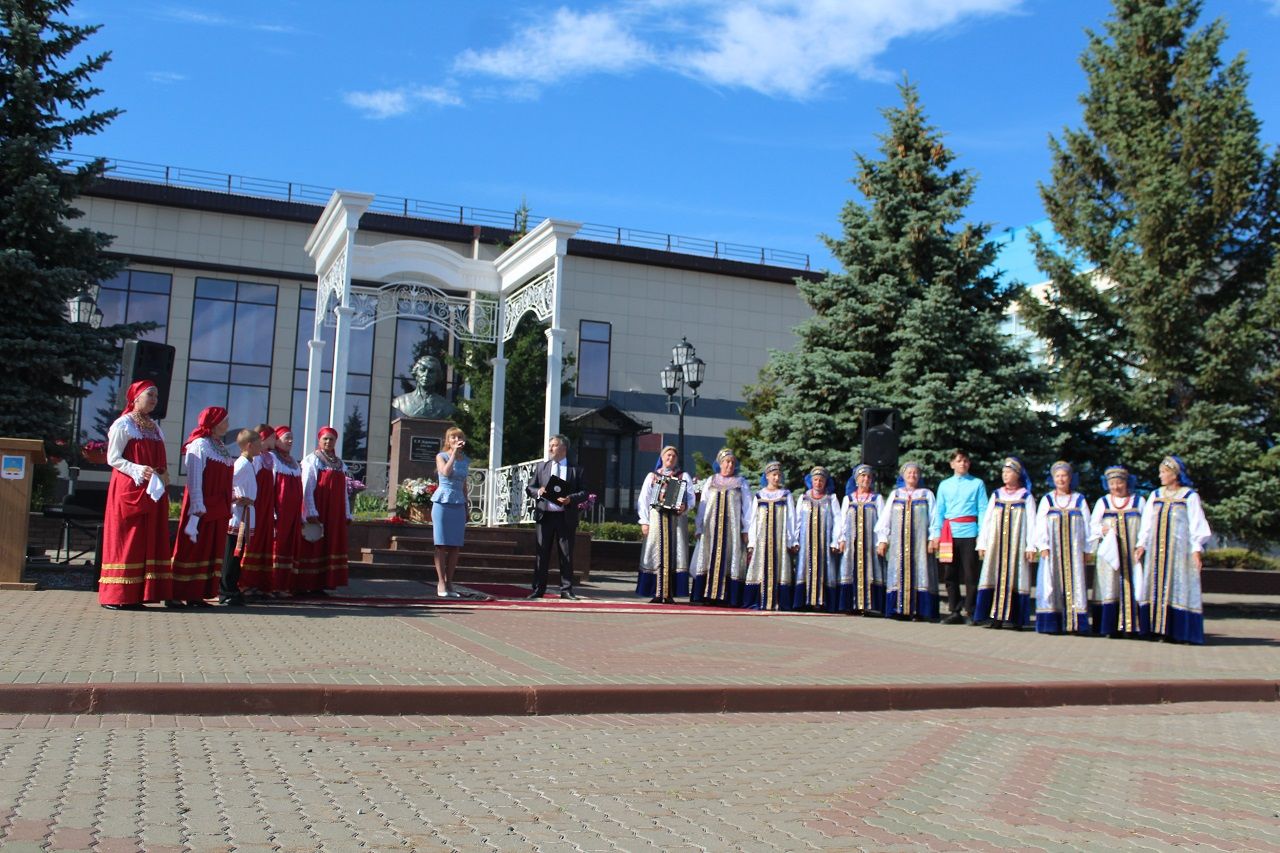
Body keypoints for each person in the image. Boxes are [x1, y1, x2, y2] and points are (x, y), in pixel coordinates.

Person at [99, 381, 173, 610]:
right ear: (136, 398)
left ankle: (139, 593)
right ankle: (118, 594)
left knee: (147, 539)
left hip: (152, 489)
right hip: (130, 487)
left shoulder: (154, 427)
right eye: (150, 395)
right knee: (128, 539)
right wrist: (138, 469)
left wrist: (161, 474)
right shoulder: (123, 424)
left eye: (156, 396)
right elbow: (113, 458)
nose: (154, 400)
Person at [1135, 455, 1212, 644]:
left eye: (1164, 472)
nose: (1160, 476)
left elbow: (1196, 524)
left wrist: (1196, 549)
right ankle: (1156, 630)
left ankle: (1180, 632)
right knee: (1155, 587)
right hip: (1155, 553)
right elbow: (1146, 523)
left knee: (1179, 587)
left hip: (1179, 552)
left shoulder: (1189, 496)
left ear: (1174, 474)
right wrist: (1141, 544)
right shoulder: (1156, 495)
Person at [169, 406, 234, 607]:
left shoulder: (220, 447)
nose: (227, 424)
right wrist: (197, 506)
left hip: (218, 507)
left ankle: (196, 593)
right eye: (224, 420)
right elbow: (194, 478)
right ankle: (175, 592)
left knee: (209, 548)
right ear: (213, 423)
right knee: (192, 548)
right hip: (202, 506)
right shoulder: (199, 445)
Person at [974, 457, 1037, 629]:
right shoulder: (997, 494)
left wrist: (1031, 545)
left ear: (1017, 474)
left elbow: (1032, 522)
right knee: (993, 575)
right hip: (996, 545)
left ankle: (1015, 618)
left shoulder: (1025, 496)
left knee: (1016, 576)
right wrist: (982, 543)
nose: (1005, 475)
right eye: (1003, 472)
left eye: (1008, 472)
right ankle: (994, 616)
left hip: (1017, 545)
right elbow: (987, 520)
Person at [524, 433, 587, 600]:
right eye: (550, 445)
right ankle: (538, 588)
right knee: (542, 553)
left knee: (566, 554)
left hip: (565, 518)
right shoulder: (542, 467)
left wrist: (569, 499)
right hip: (545, 517)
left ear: (563, 448)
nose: (550, 448)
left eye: (554, 445)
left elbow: (584, 492)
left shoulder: (575, 470)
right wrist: (539, 491)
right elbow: (529, 488)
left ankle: (566, 589)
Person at [1034, 461, 1093, 635]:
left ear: (1070, 478)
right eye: (1057, 476)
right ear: (1053, 479)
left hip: (1074, 552)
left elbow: (1088, 525)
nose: (1061, 479)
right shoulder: (1048, 499)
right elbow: (1040, 524)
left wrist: (1088, 549)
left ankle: (1076, 624)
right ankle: (1051, 624)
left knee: (1076, 583)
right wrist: (1042, 545)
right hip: (1053, 551)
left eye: (1064, 475)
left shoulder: (1079, 499)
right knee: (1051, 584)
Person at [930, 450, 987, 625]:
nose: (963, 464)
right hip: (949, 533)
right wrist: (935, 534)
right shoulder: (945, 485)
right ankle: (954, 610)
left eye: (966, 461)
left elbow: (983, 509)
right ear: (952, 464)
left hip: (969, 532)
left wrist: (982, 535)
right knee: (949, 573)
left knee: (970, 573)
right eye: (959, 461)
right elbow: (939, 510)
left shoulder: (977, 483)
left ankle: (971, 610)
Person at [876, 461, 938, 621]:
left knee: (920, 572)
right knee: (898, 572)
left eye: (915, 473)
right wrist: (883, 539)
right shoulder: (896, 495)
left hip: (919, 545)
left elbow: (934, 519)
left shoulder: (926, 494)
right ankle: (897, 609)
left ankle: (920, 610)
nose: (912, 475)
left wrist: (932, 538)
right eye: (909, 473)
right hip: (898, 546)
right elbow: (885, 519)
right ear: (903, 476)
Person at [690, 448, 752, 606]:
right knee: (708, 558)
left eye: (732, 462)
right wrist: (699, 526)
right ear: (720, 463)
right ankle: (706, 595)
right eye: (726, 462)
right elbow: (703, 506)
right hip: (710, 529)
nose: (730, 465)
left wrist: (746, 530)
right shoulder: (711, 481)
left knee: (730, 558)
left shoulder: (741, 483)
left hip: (731, 531)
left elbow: (748, 508)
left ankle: (728, 597)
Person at [1090, 465, 1146, 638]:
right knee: (1110, 586)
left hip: (1132, 553)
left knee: (1133, 584)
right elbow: (1092, 526)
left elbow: (1146, 527)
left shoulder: (1138, 501)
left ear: (1126, 483)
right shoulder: (1104, 502)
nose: (1115, 487)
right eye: (1112, 484)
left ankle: (1132, 626)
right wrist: (1103, 530)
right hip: (1110, 556)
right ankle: (1109, 627)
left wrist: (1141, 544)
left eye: (1119, 483)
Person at [635, 446, 696, 603]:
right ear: (662, 457)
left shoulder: (683, 476)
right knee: (655, 553)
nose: (670, 458)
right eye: (668, 455)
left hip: (675, 521)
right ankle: (656, 592)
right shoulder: (652, 476)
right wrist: (644, 521)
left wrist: (685, 507)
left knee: (674, 553)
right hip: (656, 520)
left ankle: (669, 593)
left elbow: (691, 498)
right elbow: (644, 499)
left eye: (674, 456)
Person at [297, 426, 352, 595]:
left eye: (331, 439)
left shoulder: (340, 463)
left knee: (329, 544)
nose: (328, 442)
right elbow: (307, 487)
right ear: (319, 440)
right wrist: (311, 511)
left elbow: (343, 491)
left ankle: (322, 584)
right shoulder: (312, 460)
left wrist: (347, 512)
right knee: (314, 545)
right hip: (320, 507)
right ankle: (306, 583)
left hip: (334, 511)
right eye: (325, 439)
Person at [743, 461, 797, 611]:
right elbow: (753, 519)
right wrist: (752, 542)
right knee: (759, 567)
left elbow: (791, 518)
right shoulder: (760, 496)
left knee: (780, 568)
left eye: (779, 475)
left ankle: (779, 601)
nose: (776, 477)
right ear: (767, 476)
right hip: (762, 541)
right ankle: (759, 600)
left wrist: (791, 540)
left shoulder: (786, 495)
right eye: (774, 475)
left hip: (779, 540)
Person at [834, 464, 886, 615]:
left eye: (869, 477)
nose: (866, 479)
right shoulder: (848, 499)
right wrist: (841, 539)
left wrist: (881, 540)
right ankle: (850, 605)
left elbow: (882, 522)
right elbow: (842, 520)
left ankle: (870, 605)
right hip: (852, 544)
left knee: (871, 570)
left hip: (870, 543)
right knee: (850, 569)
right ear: (856, 479)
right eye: (863, 476)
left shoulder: (877, 499)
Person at [219, 429, 261, 607]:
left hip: (246, 513)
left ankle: (233, 588)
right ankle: (225, 591)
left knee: (238, 555)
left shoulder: (250, 463)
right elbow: (228, 484)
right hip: (238, 516)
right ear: (249, 445)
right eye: (258, 443)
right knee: (231, 554)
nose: (261, 447)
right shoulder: (242, 464)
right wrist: (237, 498)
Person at [791, 466, 840, 611]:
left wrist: (835, 540)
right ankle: (803, 601)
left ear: (826, 482)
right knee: (804, 568)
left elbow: (838, 520)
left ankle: (823, 602)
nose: (818, 483)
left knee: (825, 568)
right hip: (806, 543)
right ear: (811, 481)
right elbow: (797, 520)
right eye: (816, 480)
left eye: (821, 480)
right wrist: (794, 540)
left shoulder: (831, 499)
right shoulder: (803, 498)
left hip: (824, 543)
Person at [236, 424, 276, 595]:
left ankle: (259, 582)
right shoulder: (254, 460)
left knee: (262, 543)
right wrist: (237, 497)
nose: (275, 440)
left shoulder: (268, 458)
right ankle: (245, 583)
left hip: (265, 505)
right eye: (272, 437)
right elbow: (237, 481)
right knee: (251, 543)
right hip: (254, 506)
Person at [430, 426, 469, 599]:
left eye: (459, 437)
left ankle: (450, 581)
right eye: (453, 437)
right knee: (441, 543)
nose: (456, 439)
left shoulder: (466, 460)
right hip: (442, 502)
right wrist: (453, 453)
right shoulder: (441, 456)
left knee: (455, 545)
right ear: (448, 440)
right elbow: (445, 472)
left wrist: (467, 506)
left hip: (458, 503)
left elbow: (464, 484)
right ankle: (441, 582)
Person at [269, 426, 303, 595]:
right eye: (286, 438)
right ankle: (273, 584)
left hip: (293, 514)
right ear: (276, 440)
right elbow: (271, 486)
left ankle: (284, 585)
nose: (290, 441)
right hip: (280, 513)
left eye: (291, 438)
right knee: (277, 547)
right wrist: (273, 511)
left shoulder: (294, 462)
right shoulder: (272, 459)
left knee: (289, 547)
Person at [392, 355, 456, 419]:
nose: (426, 375)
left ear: (437, 376)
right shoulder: (401, 401)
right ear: (416, 373)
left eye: (431, 371)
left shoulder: (446, 406)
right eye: (422, 370)